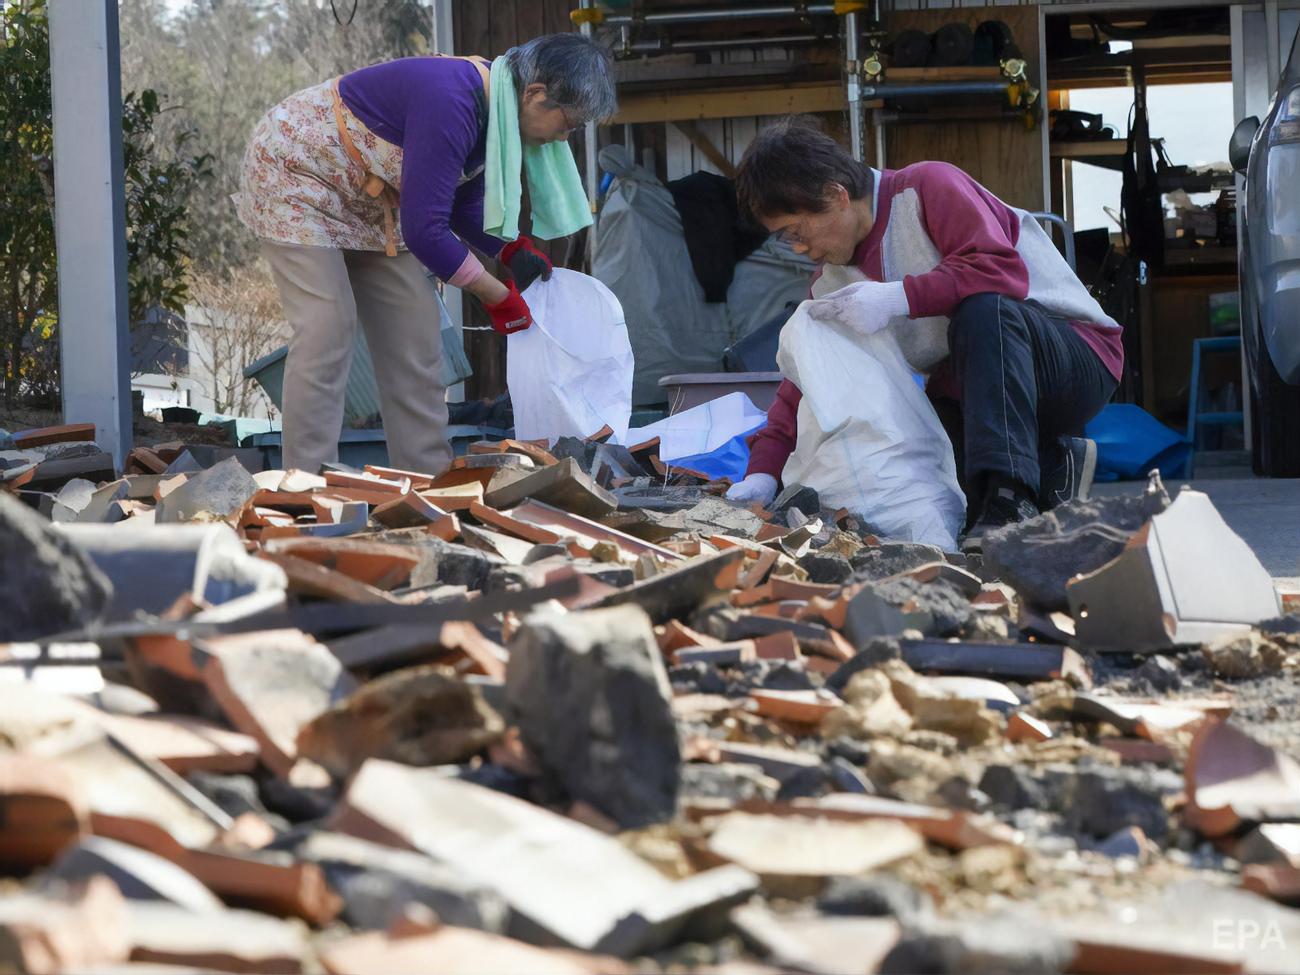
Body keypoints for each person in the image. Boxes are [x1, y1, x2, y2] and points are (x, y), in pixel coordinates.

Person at [726, 117, 1122, 549]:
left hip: (1075, 360)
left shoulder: (928, 186)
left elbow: (1001, 271)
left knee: (984, 310)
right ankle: (1051, 464)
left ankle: (1012, 499)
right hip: (982, 396)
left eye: (796, 232)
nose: (799, 249)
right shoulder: (832, 284)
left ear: (835, 195)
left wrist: (900, 297)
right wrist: (762, 471)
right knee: (931, 470)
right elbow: (805, 382)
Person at [236, 34, 617, 474]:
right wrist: (494, 293)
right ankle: (308, 484)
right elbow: (424, 230)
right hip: (300, 173)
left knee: (415, 332)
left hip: (370, 199)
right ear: (536, 95)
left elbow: (461, 205)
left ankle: (427, 479)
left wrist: (513, 250)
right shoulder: (452, 99)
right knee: (328, 327)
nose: (562, 138)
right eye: (567, 123)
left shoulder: (498, 114)